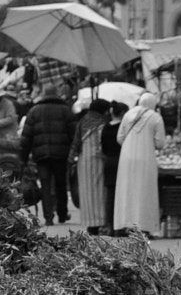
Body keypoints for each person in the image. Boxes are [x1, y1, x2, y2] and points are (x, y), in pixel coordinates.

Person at [16, 85, 76, 224]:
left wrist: (23, 157)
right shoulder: (65, 110)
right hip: (61, 154)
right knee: (61, 184)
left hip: (41, 155)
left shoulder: (34, 111)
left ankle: (48, 217)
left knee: (45, 185)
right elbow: (73, 134)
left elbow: (26, 137)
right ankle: (62, 213)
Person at [113, 93, 164, 237]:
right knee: (145, 192)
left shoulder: (128, 114)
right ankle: (144, 226)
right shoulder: (155, 117)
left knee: (126, 191)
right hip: (146, 158)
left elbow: (119, 138)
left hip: (126, 158)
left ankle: (123, 224)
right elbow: (160, 143)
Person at [70, 98, 112, 232]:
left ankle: (90, 223)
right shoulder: (102, 122)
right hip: (98, 160)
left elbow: (76, 142)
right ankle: (100, 221)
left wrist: (71, 159)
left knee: (87, 192)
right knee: (99, 192)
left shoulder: (83, 121)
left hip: (84, 160)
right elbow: (103, 143)